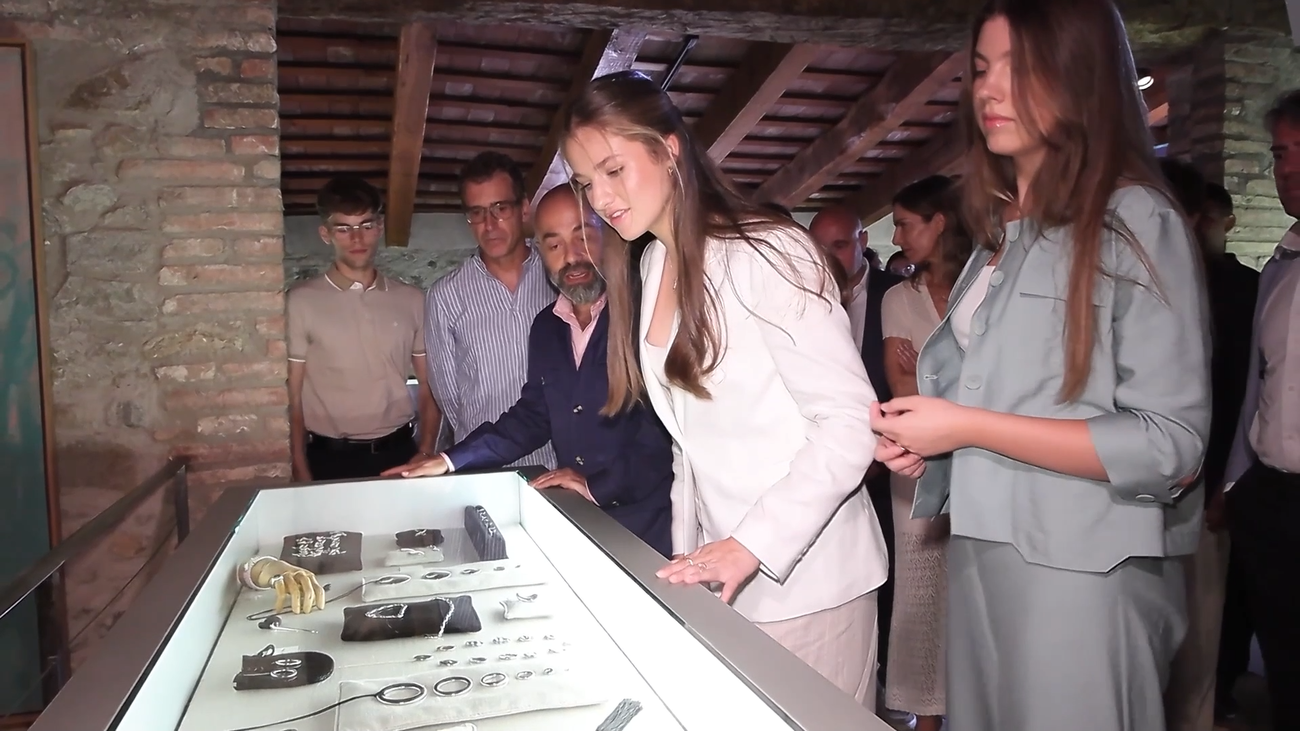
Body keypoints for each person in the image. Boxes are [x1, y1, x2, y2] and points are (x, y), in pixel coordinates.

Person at [871, 2, 1210, 729]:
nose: (990, 91)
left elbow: (1168, 443)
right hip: (982, 546)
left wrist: (968, 425)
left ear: (1082, 77)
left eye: (1021, 70)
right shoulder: (1000, 227)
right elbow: (1009, 391)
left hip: (1084, 572)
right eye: (983, 70)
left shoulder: (1134, 219)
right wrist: (936, 441)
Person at [562, 70, 889, 708]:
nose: (600, 198)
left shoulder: (767, 251)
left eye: (612, 170)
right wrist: (690, 563)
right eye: (585, 182)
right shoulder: (651, 263)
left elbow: (850, 422)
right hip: (725, 579)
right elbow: (690, 447)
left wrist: (750, 545)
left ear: (669, 149)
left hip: (813, 581)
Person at [385, 186, 674, 557]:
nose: (571, 257)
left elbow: (666, 433)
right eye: (553, 246)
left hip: (649, 530)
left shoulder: (645, 313)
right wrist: (448, 460)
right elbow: (534, 415)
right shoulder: (547, 327)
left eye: (583, 237)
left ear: (609, 234)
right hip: (580, 522)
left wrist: (596, 486)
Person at [1158, 159, 1257, 731]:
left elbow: (1244, 393)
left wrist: (1226, 482)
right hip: (1131, 491)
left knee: (1197, 634)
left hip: (1203, 485)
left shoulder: (1238, 288)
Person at [879, 174, 972, 731]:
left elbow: (1004, 387)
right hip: (914, 467)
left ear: (941, 223)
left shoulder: (985, 287)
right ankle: (927, 716)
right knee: (921, 594)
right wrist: (956, 390)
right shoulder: (899, 297)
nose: (896, 235)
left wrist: (930, 380)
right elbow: (901, 391)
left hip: (986, 460)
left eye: (906, 223)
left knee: (974, 586)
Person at [1222, 87, 1300, 731]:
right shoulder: (1279, 267)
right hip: (1274, 501)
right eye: (1280, 154)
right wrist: (1237, 481)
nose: (1289, 169)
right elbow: (1259, 383)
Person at [808, 204, 906, 702]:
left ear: (863, 240)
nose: (829, 256)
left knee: (890, 572)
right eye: (820, 246)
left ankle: (890, 681)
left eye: (841, 244)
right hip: (827, 467)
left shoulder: (896, 295)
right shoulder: (802, 296)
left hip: (892, 463)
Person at [286, 176, 438, 481]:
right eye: (343, 228)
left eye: (366, 226)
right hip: (328, 461)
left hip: (401, 455)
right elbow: (293, 397)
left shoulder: (411, 299)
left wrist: (424, 451)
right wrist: (300, 468)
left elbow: (429, 387)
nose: (357, 239)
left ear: (379, 228)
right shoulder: (301, 302)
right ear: (325, 234)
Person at [421, 152, 558, 471]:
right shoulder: (446, 296)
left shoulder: (558, 278)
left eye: (500, 208)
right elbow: (450, 399)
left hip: (557, 465)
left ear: (523, 208)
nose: (490, 224)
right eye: (477, 212)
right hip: (481, 469)